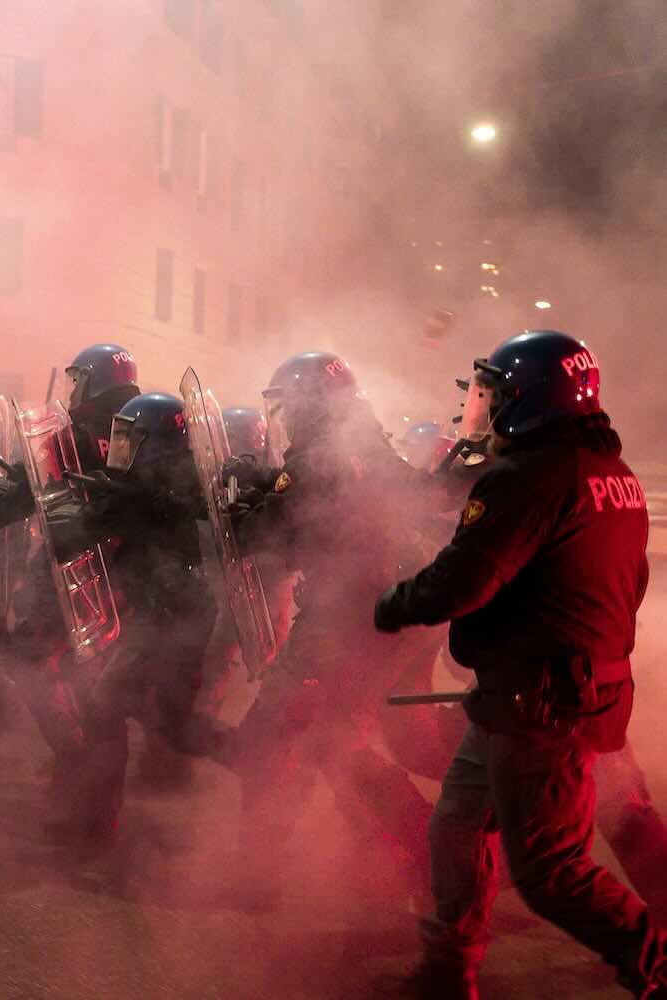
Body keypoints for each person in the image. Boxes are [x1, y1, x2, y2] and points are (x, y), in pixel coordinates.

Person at [374, 330, 667, 998]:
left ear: (527, 398)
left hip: (543, 703)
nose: (480, 405)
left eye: (492, 392)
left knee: (550, 871)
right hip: (543, 691)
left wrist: (394, 604)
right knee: (457, 825)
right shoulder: (610, 476)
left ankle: (655, 963)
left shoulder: (525, 477)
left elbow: (464, 581)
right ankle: (449, 971)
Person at [217, 351, 438, 905]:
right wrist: (270, 480)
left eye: (287, 407)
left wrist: (240, 505)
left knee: (276, 738)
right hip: (389, 612)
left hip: (347, 620)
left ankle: (262, 874)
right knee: (333, 739)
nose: (282, 418)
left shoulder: (321, 458)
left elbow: (268, 533)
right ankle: (410, 854)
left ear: (312, 406)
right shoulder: (367, 445)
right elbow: (321, 498)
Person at [49, 391, 215, 838]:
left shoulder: (150, 490)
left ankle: (95, 823)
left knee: (107, 707)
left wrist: (51, 501)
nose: (116, 446)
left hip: (169, 615)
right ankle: (254, 753)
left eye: (127, 437)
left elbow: (73, 533)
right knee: (166, 723)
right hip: (170, 612)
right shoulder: (167, 482)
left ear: (153, 442)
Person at [64, 345, 140, 472]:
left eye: (77, 382)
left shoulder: (77, 437)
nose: (72, 394)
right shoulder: (144, 422)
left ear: (94, 382)